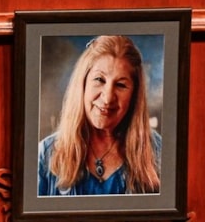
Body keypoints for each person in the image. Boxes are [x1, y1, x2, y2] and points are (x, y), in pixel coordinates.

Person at [37, 35, 161, 196]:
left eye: (121, 85)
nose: (108, 98)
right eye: (99, 80)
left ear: (134, 95)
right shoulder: (45, 155)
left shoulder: (158, 151)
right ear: (82, 84)